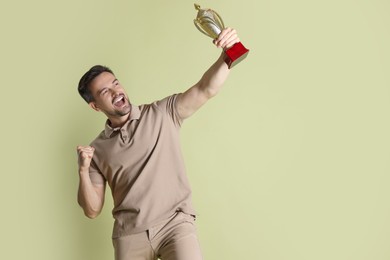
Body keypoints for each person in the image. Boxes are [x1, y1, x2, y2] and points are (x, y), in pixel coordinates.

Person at [76, 27, 241, 260]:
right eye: (105, 91)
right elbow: (92, 210)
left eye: (115, 83)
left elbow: (207, 88)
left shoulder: (162, 113)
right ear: (95, 106)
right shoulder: (97, 150)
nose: (116, 91)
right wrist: (83, 170)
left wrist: (230, 52)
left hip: (175, 225)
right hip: (129, 237)